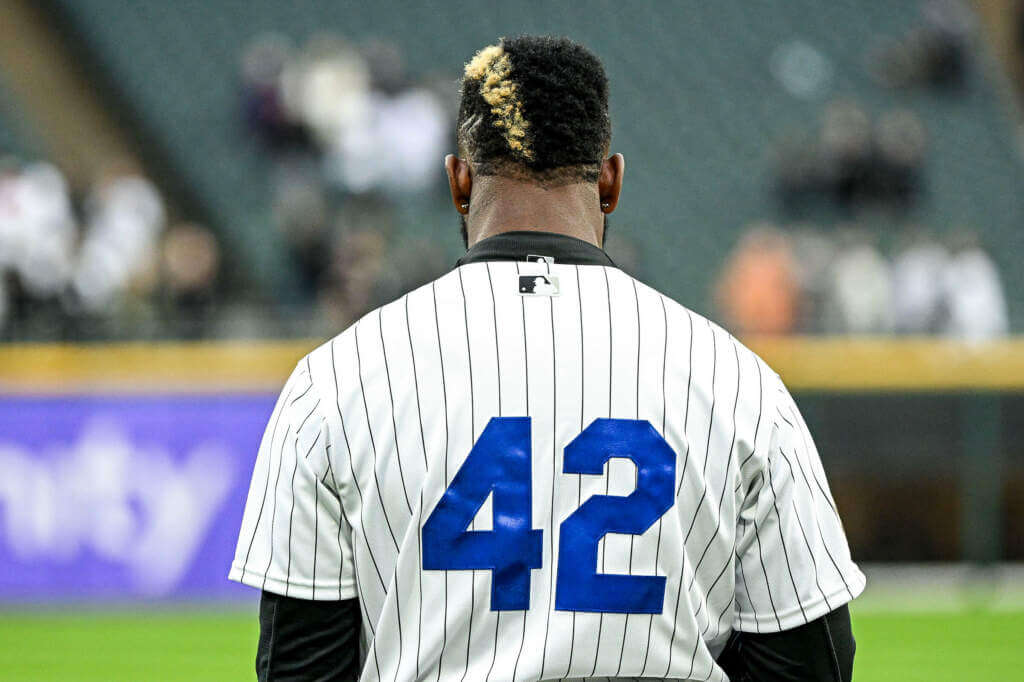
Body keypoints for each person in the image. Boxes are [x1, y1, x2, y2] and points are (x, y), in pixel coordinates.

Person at [230, 35, 864, 681]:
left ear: (458, 181)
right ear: (611, 180)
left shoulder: (336, 379)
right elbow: (811, 665)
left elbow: (300, 668)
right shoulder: (739, 382)